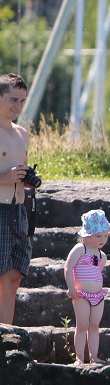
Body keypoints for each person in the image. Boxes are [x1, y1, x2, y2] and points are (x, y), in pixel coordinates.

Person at [63, 209, 110, 364]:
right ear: (86, 235)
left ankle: (94, 356)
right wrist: (71, 287)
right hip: (81, 295)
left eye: (105, 235)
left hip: (98, 296)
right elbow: (68, 267)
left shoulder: (101, 255)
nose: (103, 239)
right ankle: (79, 358)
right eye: (98, 235)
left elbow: (97, 272)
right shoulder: (80, 249)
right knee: (82, 325)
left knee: (94, 326)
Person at [0, 73, 31, 325]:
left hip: (19, 211)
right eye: (13, 99)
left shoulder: (23, 133)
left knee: (14, 276)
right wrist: (5, 177)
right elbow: (7, 175)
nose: (17, 106)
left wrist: (28, 178)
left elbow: (19, 170)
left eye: (22, 101)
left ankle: (6, 336)